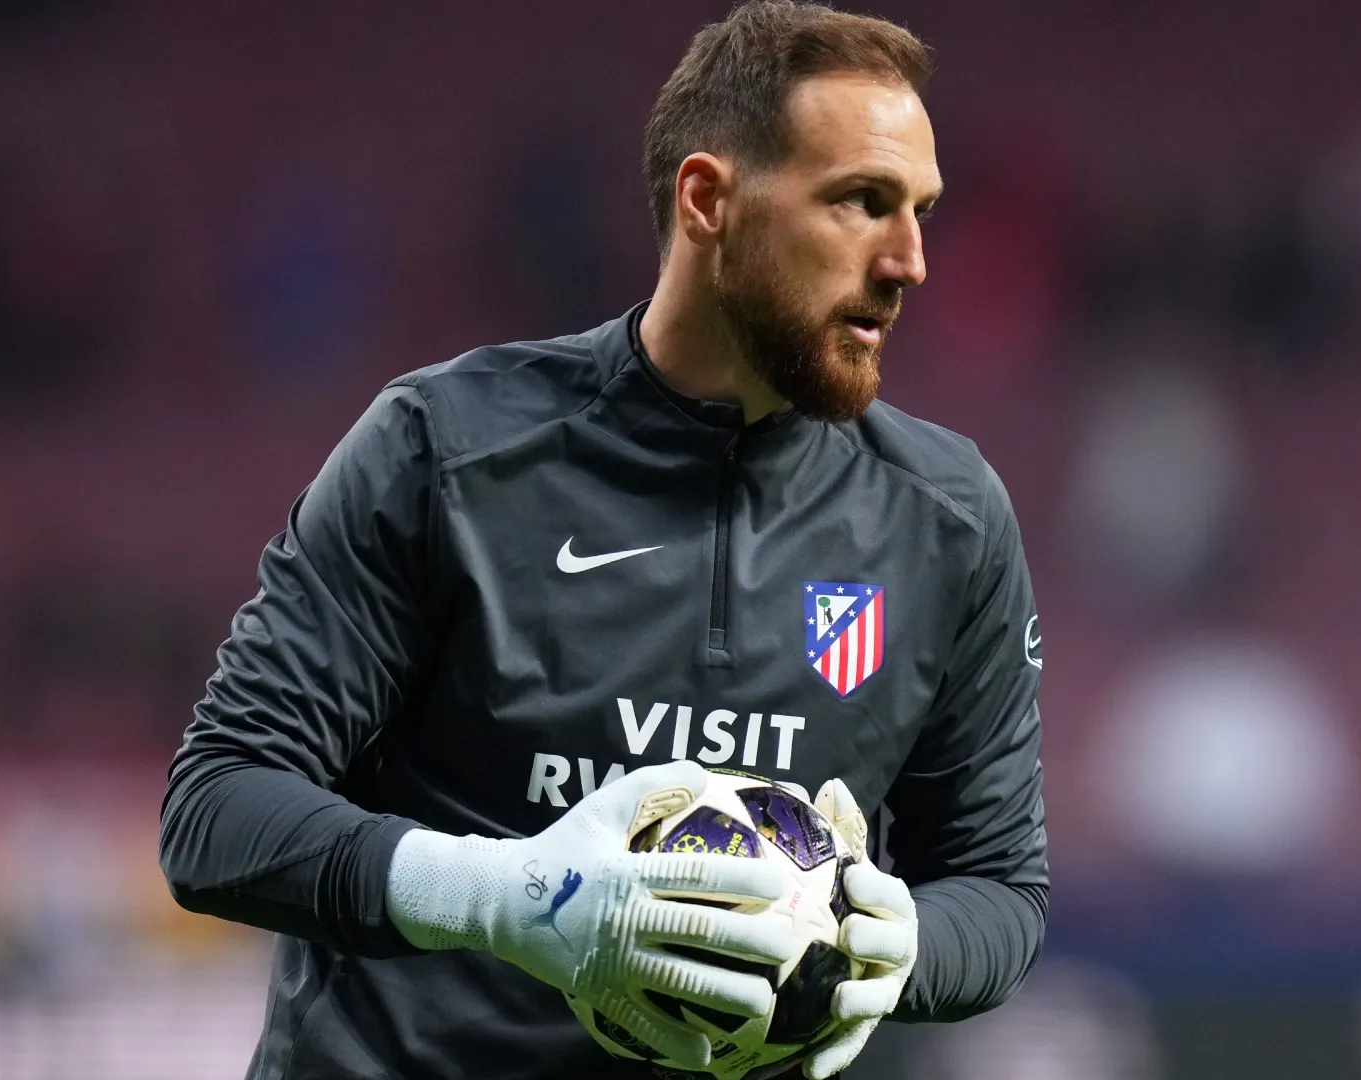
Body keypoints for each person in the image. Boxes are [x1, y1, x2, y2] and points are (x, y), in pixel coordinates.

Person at [158, 3, 1048, 1077]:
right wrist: (510, 899)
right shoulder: (448, 453)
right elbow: (216, 810)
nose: (909, 260)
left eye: (920, 211)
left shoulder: (946, 520)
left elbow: (997, 886)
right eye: (862, 202)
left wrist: (898, 948)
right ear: (709, 200)